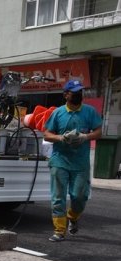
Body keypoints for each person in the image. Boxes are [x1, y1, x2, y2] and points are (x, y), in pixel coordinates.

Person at [42, 80, 102, 242]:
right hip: (59, 161)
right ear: (66, 95)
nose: (78, 94)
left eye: (80, 92)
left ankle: (73, 216)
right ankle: (59, 231)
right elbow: (47, 134)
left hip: (80, 163)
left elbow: (98, 132)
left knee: (79, 196)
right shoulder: (58, 113)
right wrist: (61, 138)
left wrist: (85, 136)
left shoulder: (89, 112)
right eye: (74, 92)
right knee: (58, 197)